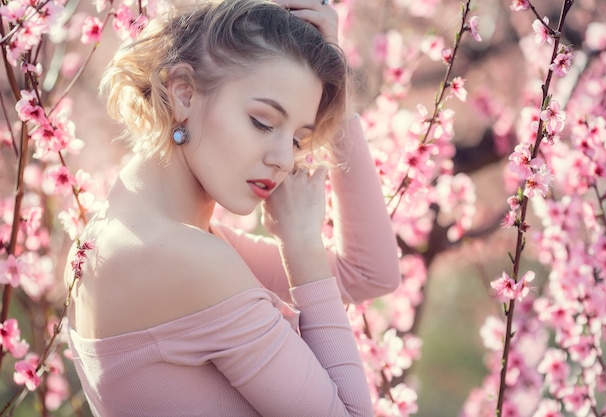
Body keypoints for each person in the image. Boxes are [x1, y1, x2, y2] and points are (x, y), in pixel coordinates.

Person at [64, 0, 401, 416]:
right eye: (262, 122)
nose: (284, 159)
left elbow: (370, 274)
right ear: (183, 92)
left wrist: (335, 91)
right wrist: (301, 245)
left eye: (299, 138)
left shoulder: (123, 231)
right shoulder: (185, 259)